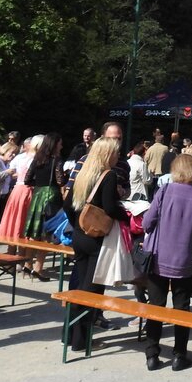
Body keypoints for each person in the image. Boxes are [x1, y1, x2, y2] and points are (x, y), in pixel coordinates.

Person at [142, 154, 192, 371]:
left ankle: (152, 354)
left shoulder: (164, 190)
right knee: (182, 308)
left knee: (155, 306)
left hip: (158, 257)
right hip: (185, 258)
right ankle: (179, 355)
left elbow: (147, 222)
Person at [62, 137, 129, 352]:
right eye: (116, 152)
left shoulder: (84, 172)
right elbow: (110, 207)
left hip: (79, 235)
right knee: (91, 290)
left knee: (80, 287)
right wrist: (127, 216)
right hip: (95, 238)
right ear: (108, 154)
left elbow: (67, 204)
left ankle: (69, 335)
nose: (118, 156)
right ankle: (81, 341)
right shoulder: (108, 175)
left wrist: (78, 223)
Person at [23, 132, 65, 280]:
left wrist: (39, 184)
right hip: (51, 196)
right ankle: (38, 268)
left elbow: (27, 179)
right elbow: (60, 181)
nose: (61, 146)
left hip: (37, 195)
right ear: (55, 144)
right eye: (60, 143)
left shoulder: (37, 159)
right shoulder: (57, 160)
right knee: (47, 233)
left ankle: (27, 264)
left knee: (34, 233)